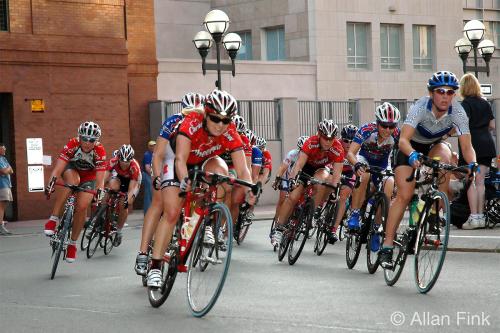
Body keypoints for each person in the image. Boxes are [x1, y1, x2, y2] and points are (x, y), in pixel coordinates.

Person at [146, 89, 256, 288]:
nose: (220, 125)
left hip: (204, 162)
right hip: (178, 160)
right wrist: (185, 181)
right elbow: (180, 160)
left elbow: (243, 169)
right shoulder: (192, 122)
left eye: (226, 120)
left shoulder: (230, 131)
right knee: (171, 212)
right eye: (215, 118)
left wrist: (249, 190)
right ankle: (154, 266)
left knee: (222, 174)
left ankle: (205, 221)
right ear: (206, 113)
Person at [379, 71, 477, 269]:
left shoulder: (458, 112)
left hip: (434, 145)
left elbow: (466, 147)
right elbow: (404, 139)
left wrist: (473, 165)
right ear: (432, 93)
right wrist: (413, 155)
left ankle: (433, 210)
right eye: (440, 91)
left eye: (450, 92)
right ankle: (387, 247)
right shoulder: (420, 107)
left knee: (445, 157)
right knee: (404, 195)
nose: (445, 96)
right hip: (409, 148)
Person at [135, 92, 205, 276]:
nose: (193, 117)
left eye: (197, 113)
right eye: (189, 113)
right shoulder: (173, 121)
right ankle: (143, 253)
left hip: (191, 163)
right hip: (170, 158)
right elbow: (158, 154)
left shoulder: (206, 126)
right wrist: (157, 177)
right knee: (159, 201)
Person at [272, 119, 344, 247]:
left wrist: (335, 190)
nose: (328, 141)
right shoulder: (311, 142)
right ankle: (279, 228)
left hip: (321, 169)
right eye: (325, 138)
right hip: (306, 167)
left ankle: (312, 212)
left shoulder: (338, 148)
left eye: (331, 138)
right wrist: (293, 179)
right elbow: (299, 164)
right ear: (319, 135)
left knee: (323, 180)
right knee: (293, 197)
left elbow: (337, 174)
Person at [44, 121, 106, 263]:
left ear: (96, 141)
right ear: (79, 137)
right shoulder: (72, 144)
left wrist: (99, 191)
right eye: (84, 138)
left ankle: (72, 243)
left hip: (89, 177)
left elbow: (100, 176)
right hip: (72, 170)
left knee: (82, 207)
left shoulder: (100, 151)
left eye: (91, 140)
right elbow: (59, 168)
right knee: (72, 182)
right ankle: (53, 219)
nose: (87, 142)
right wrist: (51, 182)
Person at [346, 103, 400, 252]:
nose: (388, 130)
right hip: (363, 159)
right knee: (365, 174)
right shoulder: (366, 130)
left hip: (383, 164)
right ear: (377, 123)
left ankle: (376, 228)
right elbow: (350, 153)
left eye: (392, 126)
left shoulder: (397, 134)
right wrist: (356, 165)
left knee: (390, 183)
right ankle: (355, 213)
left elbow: (403, 156)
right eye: (384, 125)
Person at [458, 73, 496, 229]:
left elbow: (461, 125)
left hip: (472, 146)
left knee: (470, 181)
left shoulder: (465, 105)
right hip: (486, 145)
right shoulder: (485, 103)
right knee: (481, 182)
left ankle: (474, 217)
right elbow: (492, 125)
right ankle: (480, 217)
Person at [105, 144, 142, 246]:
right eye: (122, 161)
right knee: (110, 188)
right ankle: (105, 213)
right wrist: (100, 189)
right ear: (118, 158)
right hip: (120, 177)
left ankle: (119, 231)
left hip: (132, 181)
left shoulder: (134, 167)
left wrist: (127, 198)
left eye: (127, 162)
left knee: (125, 203)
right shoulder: (114, 160)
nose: (124, 164)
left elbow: (131, 189)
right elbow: (105, 177)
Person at [328, 124, 358, 244]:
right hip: (335, 169)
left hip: (349, 173)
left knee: (344, 196)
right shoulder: (335, 144)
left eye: (351, 141)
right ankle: (321, 207)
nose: (348, 144)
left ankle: (334, 229)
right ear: (341, 138)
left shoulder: (358, 148)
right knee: (328, 184)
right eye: (345, 140)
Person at [271, 136, 309, 227]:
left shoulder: (310, 157)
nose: (302, 153)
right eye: (301, 150)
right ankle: (277, 222)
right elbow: (282, 167)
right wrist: (277, 179)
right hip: (287, 179)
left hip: (299, 180)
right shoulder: (292, 154)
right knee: (282, 199)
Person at [0, 143, 13, 235]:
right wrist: (7, 169)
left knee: (3, 206)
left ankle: (1, 224)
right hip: (2, 185)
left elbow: (11, 170)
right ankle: (1, 226)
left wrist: (7, 170)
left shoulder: (4, 159)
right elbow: (4, 171)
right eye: (3, 148)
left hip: (7, 184)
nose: (5, 150)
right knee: (1, 206)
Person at [142, 140, 156, 214]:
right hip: (147, 175)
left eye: (154, 145)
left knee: (152, 194)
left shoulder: (154, 154)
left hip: (152, 175)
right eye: (151, 146)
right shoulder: (147, 154)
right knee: (149, 194)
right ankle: (147, 213)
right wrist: (154, 175)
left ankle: (151, 212)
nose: (153, 147)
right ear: (149, 147)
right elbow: (147, 168)